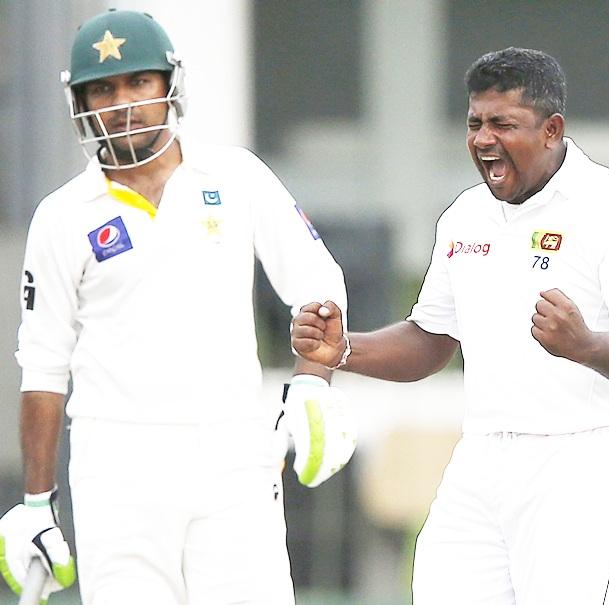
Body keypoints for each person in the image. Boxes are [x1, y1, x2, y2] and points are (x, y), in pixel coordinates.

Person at [0, 9, 355, 605]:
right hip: (117, 465)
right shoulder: (63, 215)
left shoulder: (235, 175)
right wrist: (36, 503)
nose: (122, 102)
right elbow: (42, 366)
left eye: (138, 82)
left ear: (169, 87)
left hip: (234, 452)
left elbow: (317, 281)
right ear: (80, 101)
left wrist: (312, 386)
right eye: (103, 89)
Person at [292, 47, 609, 604]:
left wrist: (585, 345)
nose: (483, 139)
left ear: (551, 130)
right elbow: (431, 341)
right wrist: (343, 350)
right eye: (475, 123)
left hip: (576, 462)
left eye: (503, 124)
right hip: (480, 456)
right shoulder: (466, 215)